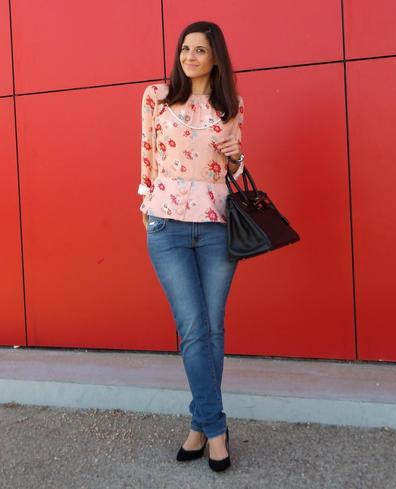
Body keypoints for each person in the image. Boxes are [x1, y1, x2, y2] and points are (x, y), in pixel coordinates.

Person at [137, 21, 245, 472]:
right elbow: (146, 154)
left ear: (215, 57)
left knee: (212, 330)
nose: (190, 56)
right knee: (194, 328)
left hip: (217, 224)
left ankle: (199, 427)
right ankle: (217, 429)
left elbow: (235, 171)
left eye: (200, 50)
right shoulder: (155, 97)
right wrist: (145, 202)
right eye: (185, 48)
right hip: (167, 225)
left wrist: (237, 155)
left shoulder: (231, 105)